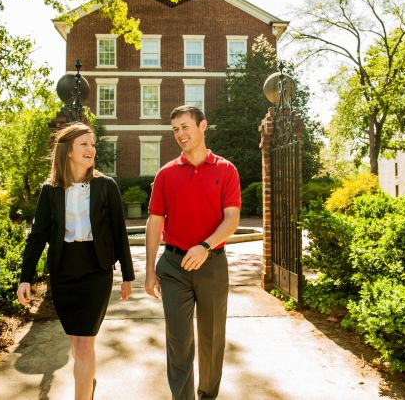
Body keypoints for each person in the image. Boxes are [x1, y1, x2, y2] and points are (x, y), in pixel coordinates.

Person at [16, 123, 134, 400]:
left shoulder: (106, 186)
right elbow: (37, 236)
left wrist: (127, 276)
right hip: (64, 271)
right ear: (68, 151)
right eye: (84, 144)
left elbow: (119, 233)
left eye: (92, 144)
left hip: (96, 271)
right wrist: (25, 277)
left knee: (83, 346)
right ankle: (87, 383)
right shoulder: (51, 190)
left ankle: (83, 395)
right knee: (76, 342)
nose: (91, 149)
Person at [145, 105, 241, 400]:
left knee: (212, 340)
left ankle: (208, 396)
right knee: (179, 341)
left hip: (212, 264)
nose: (180, 134)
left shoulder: (226, 170)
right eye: (175, 129)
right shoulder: (165, 174)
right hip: (174, 266)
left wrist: (205, 246)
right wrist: (150, 270)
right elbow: (155, 222)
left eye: (185, 127)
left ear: (203, 126)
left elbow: (232, 219)